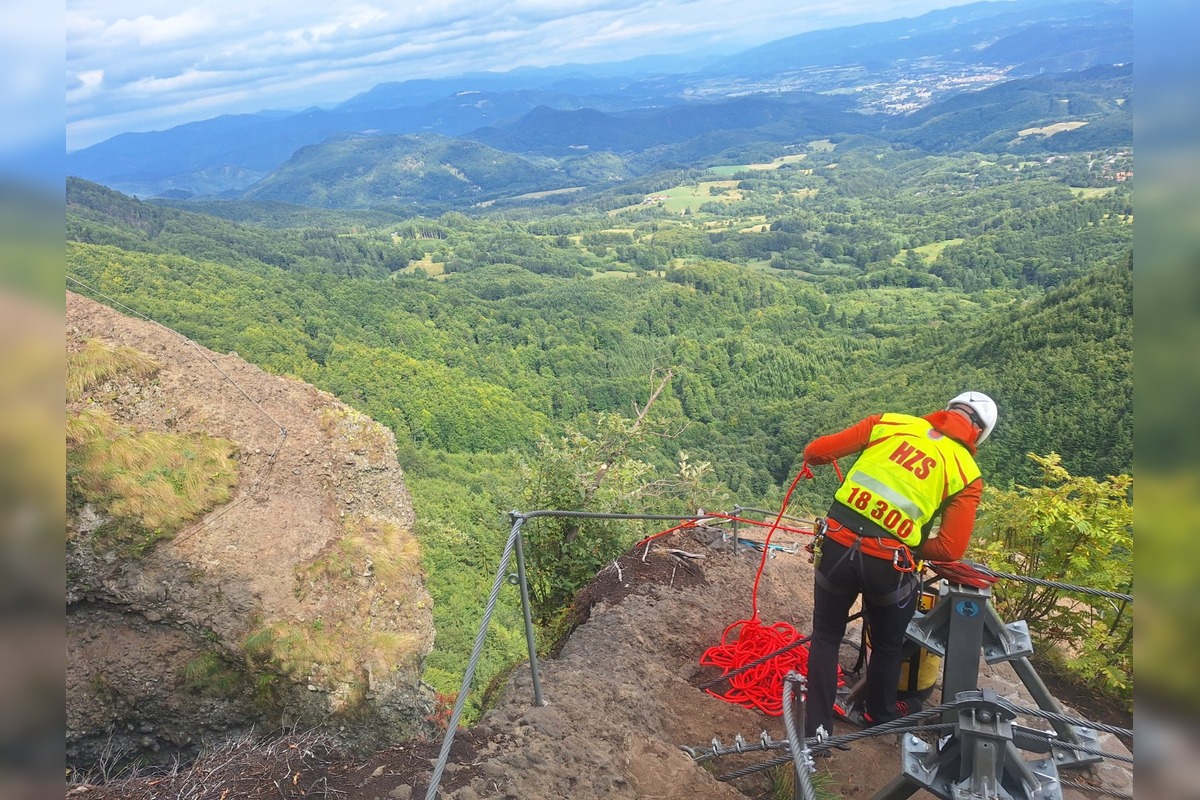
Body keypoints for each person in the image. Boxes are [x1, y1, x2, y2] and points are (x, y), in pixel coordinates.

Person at [801, 391, 997, 738]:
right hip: (889, 565)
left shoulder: (888, 423)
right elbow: (950, 547)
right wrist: (908, 543)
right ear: (979, 432)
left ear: (945, 410)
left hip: (837, 545)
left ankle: (816, 729)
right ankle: (880, 715)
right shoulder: (967, 473)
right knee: (888, 644)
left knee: (827, 636)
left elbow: (815, 453)